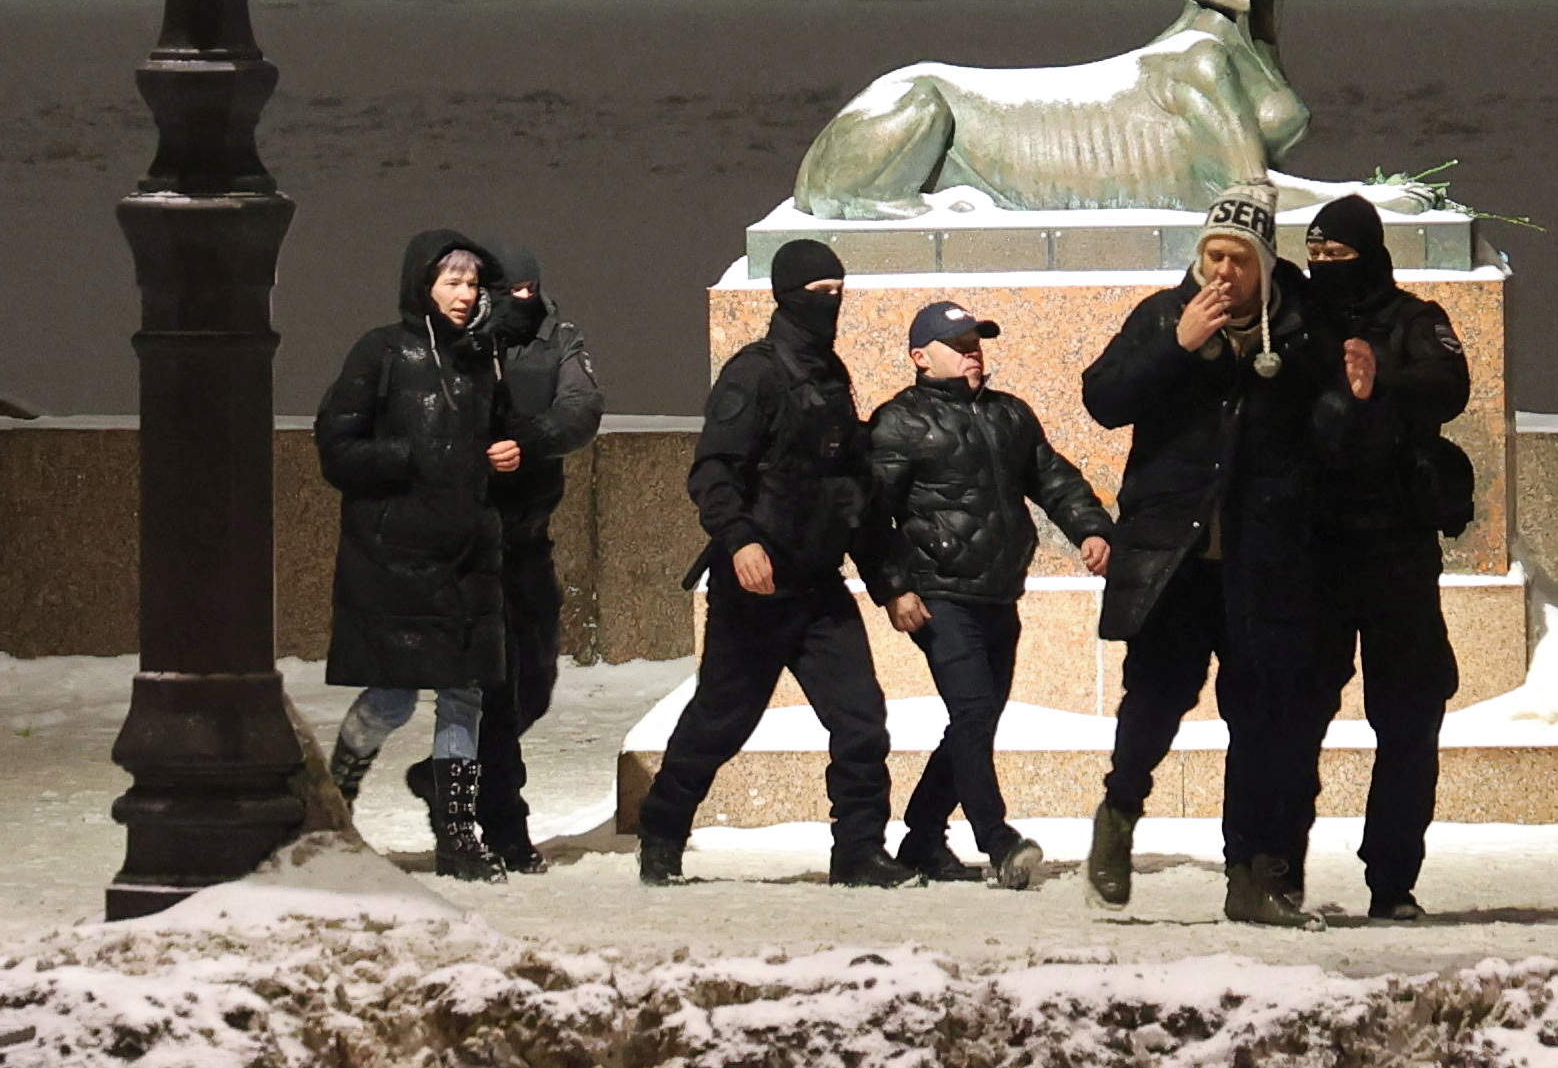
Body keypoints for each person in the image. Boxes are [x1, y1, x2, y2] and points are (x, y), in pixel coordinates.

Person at [635, 238, 919, 890]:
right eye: (818, 293)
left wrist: (891, 583)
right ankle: (661, 831)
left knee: (860, 722)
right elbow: (713, 470)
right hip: (755, 589)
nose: (831, 304)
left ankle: (858, 852)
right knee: (719, 722)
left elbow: (856, 495)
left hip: (819, 586)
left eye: (836, 291)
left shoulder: (831, 378)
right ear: (788, 297)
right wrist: (739, 541)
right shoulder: (753, 375)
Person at [1078, 183, 1324, 927]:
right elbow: (1103, 398)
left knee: (1259, 721)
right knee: (1155, 699)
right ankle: (1119, 812)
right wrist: (1176, 346)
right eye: (1213, 255)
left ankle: (1248, 876)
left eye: (1238, 259)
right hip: (1170, 560)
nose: (1222, 272)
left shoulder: (1301, 327)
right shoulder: (1161, 314)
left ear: (1264, 265)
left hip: (1261, 561)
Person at [865, 299, 1114, 889]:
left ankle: (923, 835)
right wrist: (894, 588)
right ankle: (998, 841)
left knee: (974, 722)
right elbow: (870, 516)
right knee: (974, 712)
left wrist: (1092, 528)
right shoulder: (898, 422)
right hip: (938, 596)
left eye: (978, 341)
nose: (974, 352)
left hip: (1000, 593)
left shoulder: (1009, 416)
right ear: (921, 358)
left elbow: (1053, 478)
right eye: (961, 344)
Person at [315, 230, 530, 881]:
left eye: (472, 284)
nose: (465, 296)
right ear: (422, 286)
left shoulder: (482, 358)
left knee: (463, 694)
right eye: (452, 283)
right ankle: (330, 802)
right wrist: (411, 458)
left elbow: (494, 438)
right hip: (395, 558)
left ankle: (457, 835)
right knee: (392, 698)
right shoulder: (381, 351)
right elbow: (335, 447)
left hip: (467, 558)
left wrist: (507, 453)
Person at [1285, 195, 1471, 920]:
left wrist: (1378, 383)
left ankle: (1391, 879)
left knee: (1410, 715)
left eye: (1341, 257)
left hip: (1396, 550)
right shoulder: (1299, 324)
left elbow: (1448, 386)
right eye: (1317, 257)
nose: (1327, 270)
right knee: (1296, 717)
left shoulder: (1414, 321)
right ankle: (1278, 870)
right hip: (1318, 553)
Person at [404, 242, 599, 874]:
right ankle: (503, 824)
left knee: (533, 687)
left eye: (528, 291)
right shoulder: (465, 344)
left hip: (529, 539)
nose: (519, 301)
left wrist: (529, 438)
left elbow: (581, 409)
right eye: (506, 290)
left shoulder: (558, 338)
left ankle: (447, 776)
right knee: (491, 691)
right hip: (474, 545)